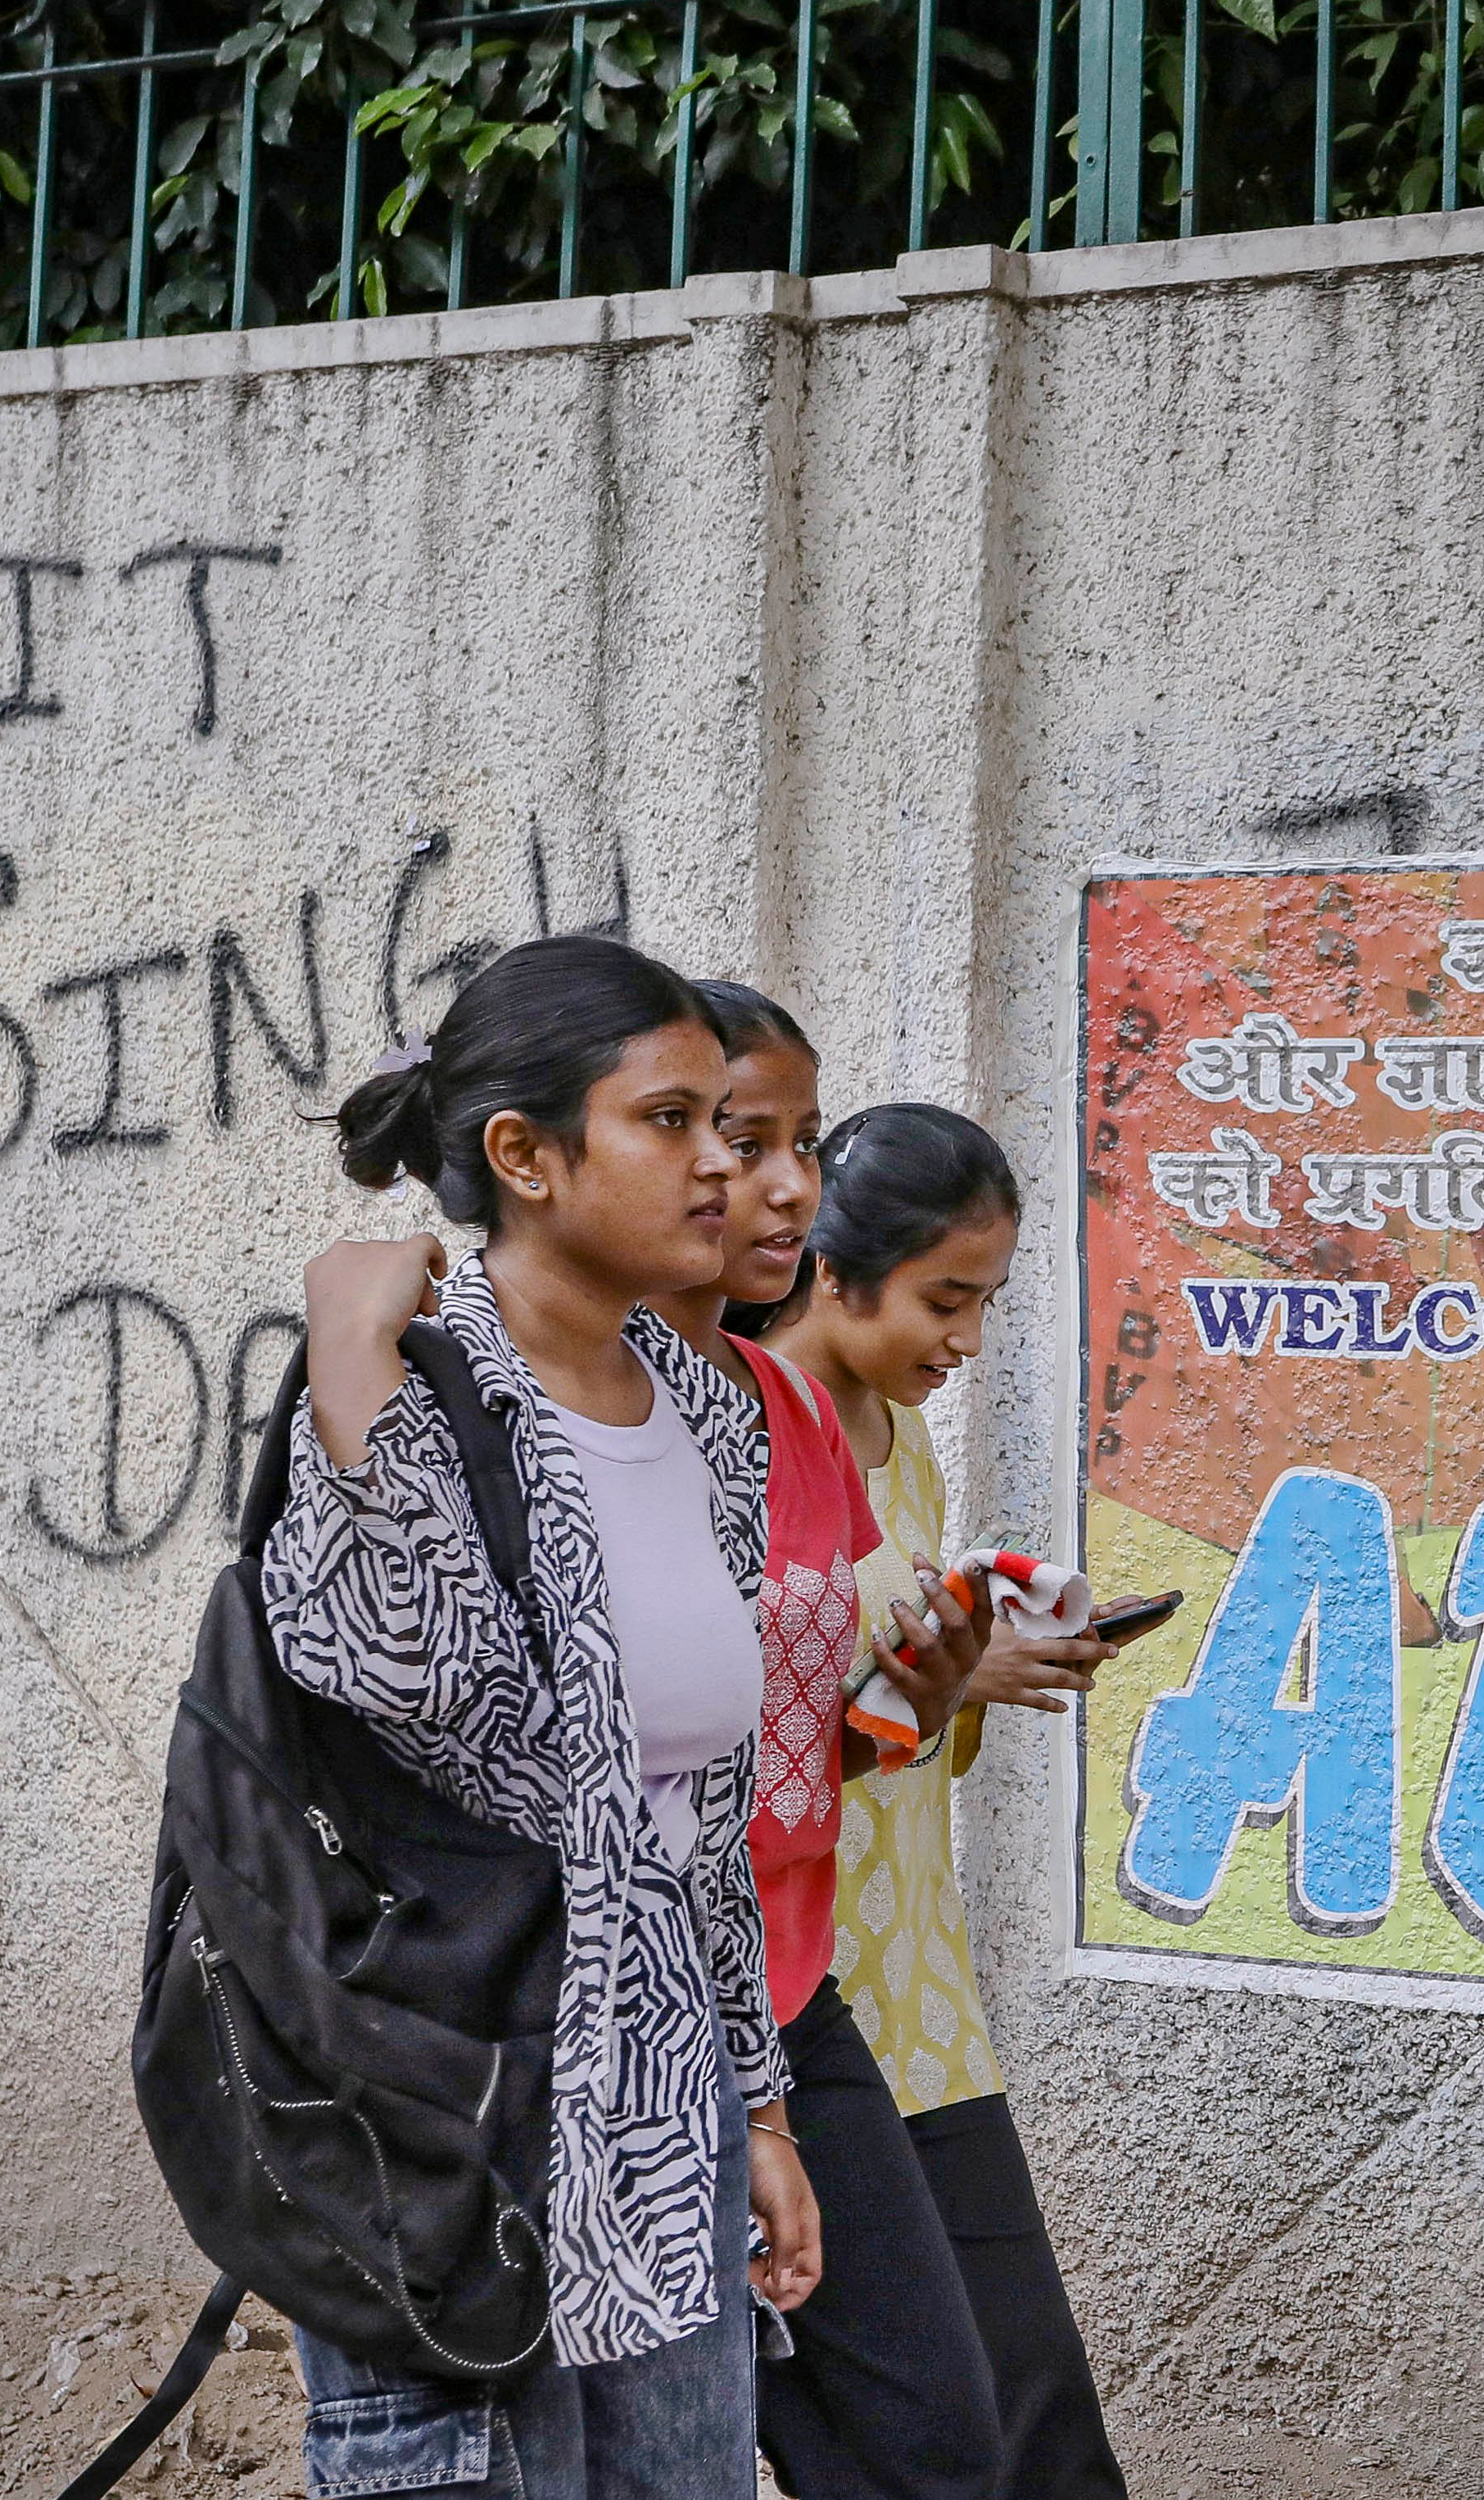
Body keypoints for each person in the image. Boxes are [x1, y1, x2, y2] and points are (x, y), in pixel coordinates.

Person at [264, 935, 823, 2499]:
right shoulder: (414, 1393)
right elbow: (431, 1694)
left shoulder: (707, 1408)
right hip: (459, 2128)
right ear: (524, 1154)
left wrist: (755, 2104)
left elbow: (687, 1823)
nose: (723, 1161)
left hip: (662, 2123)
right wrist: (354, 1361)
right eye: (670, 1121)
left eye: (728, 1117)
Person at [642, 985, 1009, 2500]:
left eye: (803, 1137)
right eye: (736, 1136)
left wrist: (936, 1687)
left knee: (933, 2439)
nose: (795, 1181)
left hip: (793, 1993)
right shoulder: (544, 1411)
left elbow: (798, 1760)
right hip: (630, 2028)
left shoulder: (788, 1429)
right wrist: (747, 2099)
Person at [760, 1102, 1133, 2500]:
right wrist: (941, 1680)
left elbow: (891, 1724)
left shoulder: (901, 1442)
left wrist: (963, 1665)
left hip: (923, 2006)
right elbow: (758, 1749)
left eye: (985, 1302)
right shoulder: (739, 1427)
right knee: (902, 2446)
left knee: (1034, 2417)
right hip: (793, 2010)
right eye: (945, 1298)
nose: (966, 1340)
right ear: (835, 1269)